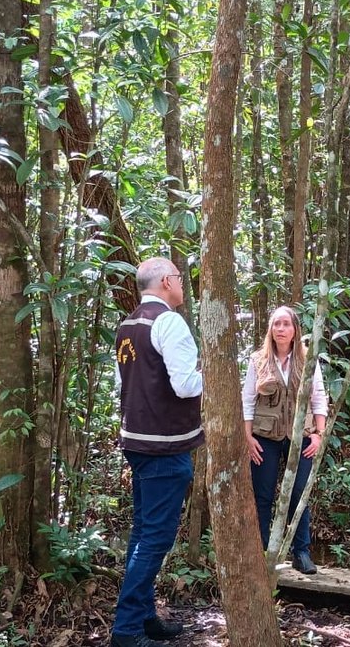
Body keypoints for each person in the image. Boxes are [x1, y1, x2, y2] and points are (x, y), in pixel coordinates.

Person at [111, 258, 202, 647]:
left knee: (142, 533)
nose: (182, 286)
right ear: (167, 282)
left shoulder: (128, 325)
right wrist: (216, 375)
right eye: (180, 279)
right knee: (155, 539)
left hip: (137, 441)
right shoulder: (170, 322)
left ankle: (144, 618)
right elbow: (184, 385)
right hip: (164, 447)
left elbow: (124, 381)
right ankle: (127, 630)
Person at [243, 305, 327, 575]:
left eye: (286, 324)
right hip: (264, 436)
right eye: (276, 324)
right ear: (270, 328)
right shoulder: (258, 360)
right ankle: (262, 552)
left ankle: (301, 552)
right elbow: (247, 401)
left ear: (295, 330)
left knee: (298, 494)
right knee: (263, 495)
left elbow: (318, 397)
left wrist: (318, 434)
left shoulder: (307, 359)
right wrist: (247, 437)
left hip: (300, 436)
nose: (280, 329)